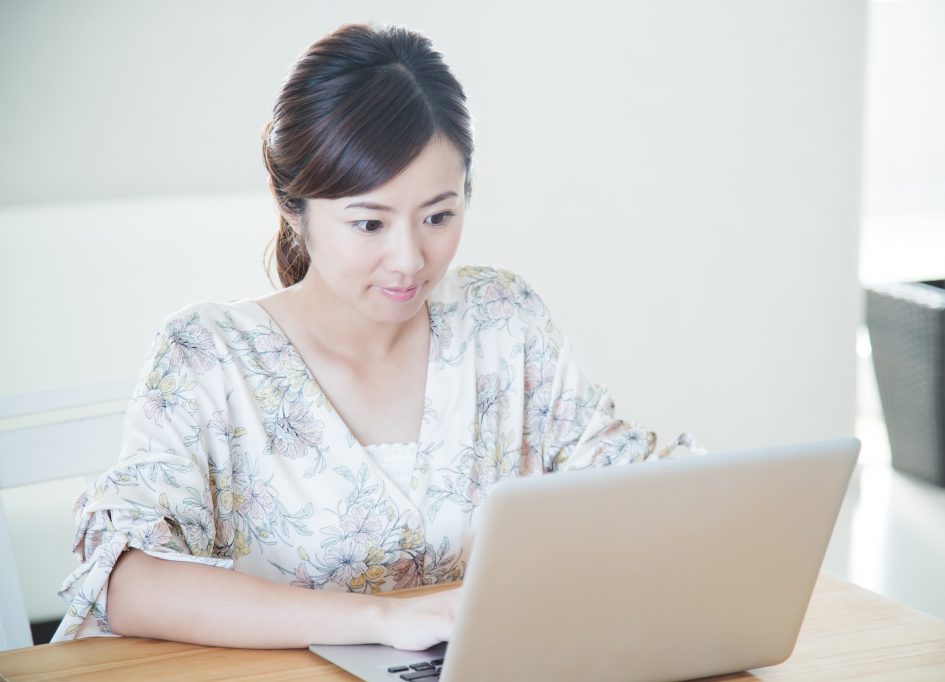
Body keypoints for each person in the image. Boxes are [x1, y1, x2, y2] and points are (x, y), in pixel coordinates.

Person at [53, 21, 703, 651]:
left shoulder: (504, 320)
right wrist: (383, 621)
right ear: (291, 205)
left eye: (439, 216)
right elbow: (125, 582)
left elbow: (629, 487)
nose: (409, 259)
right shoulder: (208, 354)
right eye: (369, 224)